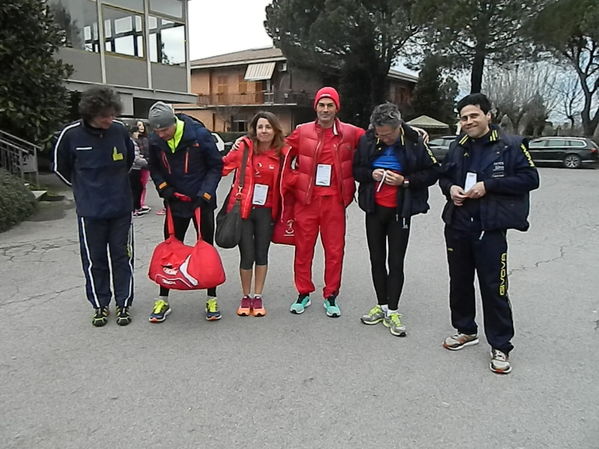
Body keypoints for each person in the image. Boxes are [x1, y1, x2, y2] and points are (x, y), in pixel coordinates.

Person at [438, 93, 539, 374]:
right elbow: (444, 175)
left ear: (488, 116)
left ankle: (501, 345)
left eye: (474, 116)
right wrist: (451, 189)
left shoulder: (510, 145)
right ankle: (466, 329)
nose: (469, 121)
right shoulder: (458, 145)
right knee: (459, 282)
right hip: (458, 224)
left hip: (490, 228)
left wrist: (489, 186)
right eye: (464, 118)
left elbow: (531, 179)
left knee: (495, 288)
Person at [353, 103, 440, 336]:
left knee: (396, 261)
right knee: (376, 259)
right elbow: (356, 170)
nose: (383, 138)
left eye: (387, 135)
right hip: (374, 208)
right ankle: (381, 306)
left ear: (398, 126)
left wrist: (404, 181)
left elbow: (433, 172)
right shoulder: (368, 139)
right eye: (379, 134)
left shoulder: (414, 141)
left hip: (400, 210)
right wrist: (371, 174)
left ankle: (393, 310)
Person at [53, 87, 135, 327]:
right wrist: (82, 190)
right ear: (90, 113)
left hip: (120, 208)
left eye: (112, 114)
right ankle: (100, 304)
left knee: (122, 257)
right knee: (94, 259)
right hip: (90, 211)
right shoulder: (70, 135)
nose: (109, 120)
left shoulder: (119, 131)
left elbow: (129, 161)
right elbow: (60, 168)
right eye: (104, 116)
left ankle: (123, 303)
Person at [282, 87, 365, 318]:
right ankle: (303, 292)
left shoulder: (350, 132)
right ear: (315, 107)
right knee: (303, 249)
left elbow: (379, 135)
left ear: (337, 107)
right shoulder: (302, 131)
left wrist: (410, 131)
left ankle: (331, 295)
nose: (325, 109)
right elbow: (280, 151)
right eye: (322, 105)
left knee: (335, 251)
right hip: (306, 201)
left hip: (335, 202)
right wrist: (294, 178)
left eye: (330, 105)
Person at [147, 101, 223, 323]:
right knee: (170, 249)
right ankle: (163, 299)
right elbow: (154, 167)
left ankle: (211, 298)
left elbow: (216, 166)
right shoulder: (155, 140)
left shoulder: (199, 135)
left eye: (165, 130)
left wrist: (206, 193)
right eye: (157, 130)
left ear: (174, 123)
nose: (162, 135)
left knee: (207, 249)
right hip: (175, 202)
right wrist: (164, 189)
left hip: (201, 201)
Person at [221, 111, 290, 317]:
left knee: (261, 254)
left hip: (267, 211)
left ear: (275, 130)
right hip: (243, 210)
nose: (264, 131)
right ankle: (245, 295)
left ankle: (257, 296)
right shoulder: (244, 148)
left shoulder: (283, 153)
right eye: (260, 127)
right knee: (247, 254)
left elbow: (293, 175)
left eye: (268, 127)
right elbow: (222, 167)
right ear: (254, 129)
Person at [129, 127, 149, 216]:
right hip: (134, 168)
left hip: (135, 168)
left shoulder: (133, 142)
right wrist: (147, 162)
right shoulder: (132, 142)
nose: (138, 134)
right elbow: (135, 158)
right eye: (136, 132)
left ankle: (137, 207)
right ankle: (135, 208)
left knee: (138, 188)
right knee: (137, 189)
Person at [135, 120, 152, 213]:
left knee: (143, 185)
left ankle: (141, 202)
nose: (141, 127)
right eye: (138, 125)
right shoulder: (135, 139)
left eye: (142, 125)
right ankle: (138, 203)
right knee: (138, 185)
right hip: (138, 165)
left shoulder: (147, 138)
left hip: (146, 164)